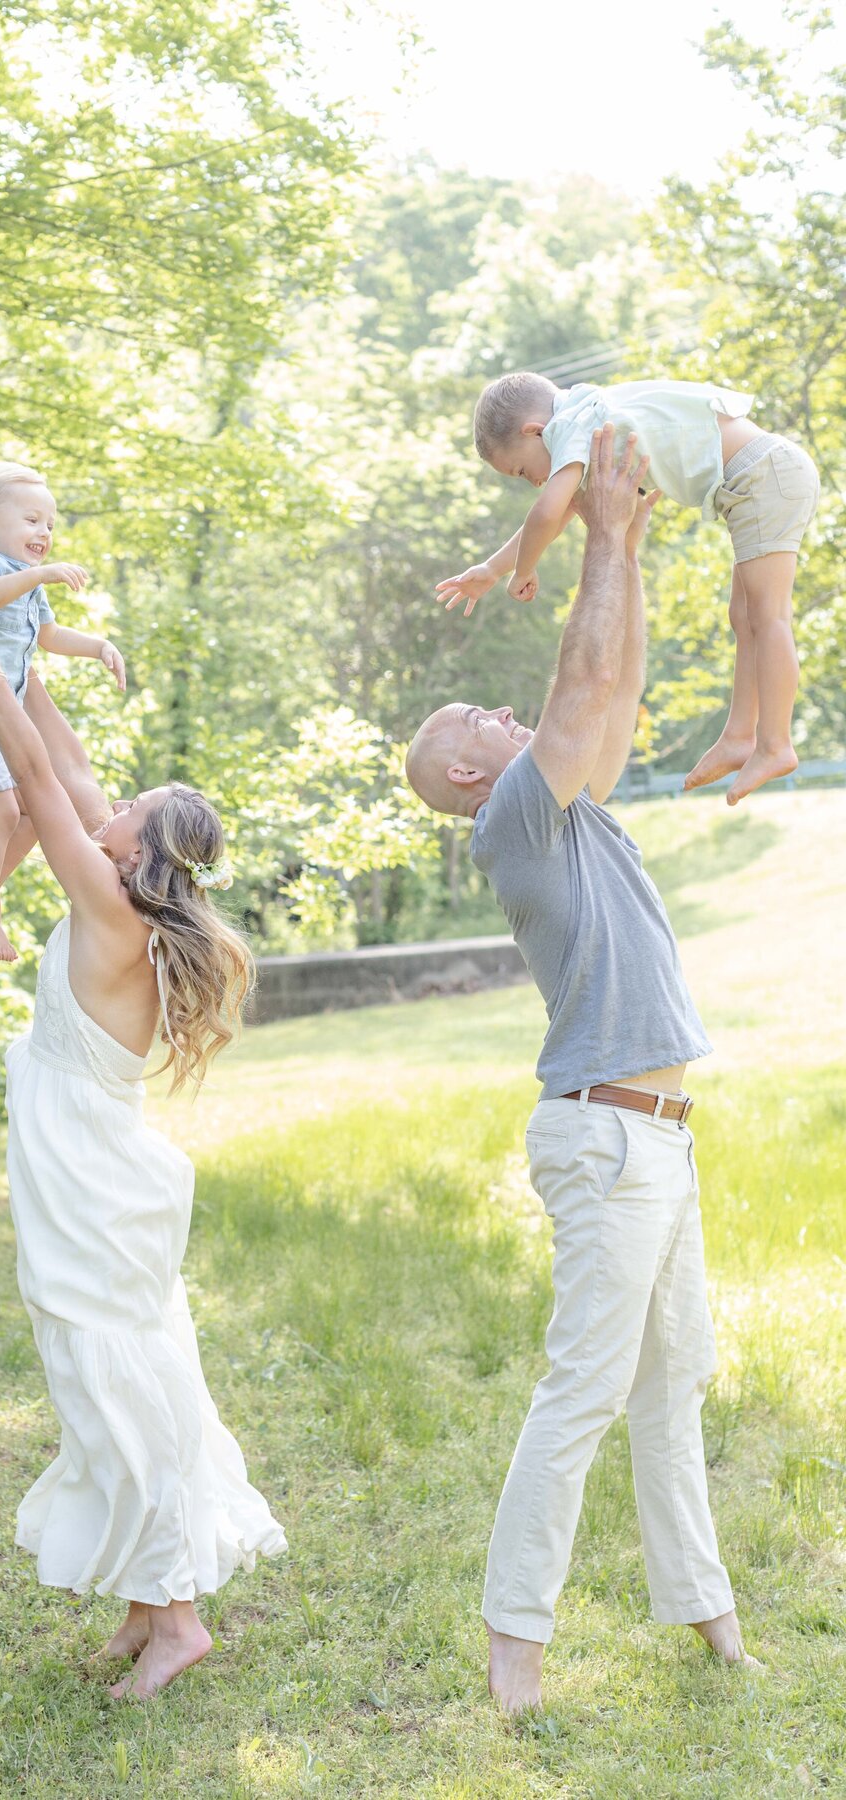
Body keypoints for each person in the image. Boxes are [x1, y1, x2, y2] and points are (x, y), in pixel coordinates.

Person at [407, 425, 758, 1715]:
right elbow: (574, 682)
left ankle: (711, 1617)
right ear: (466, 770)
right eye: (478, 721)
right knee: (586, 1394)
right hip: (610, 1138)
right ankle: (514, 1654)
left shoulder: (573, 810)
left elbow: (615, 678)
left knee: (672, 1389)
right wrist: (600, 535)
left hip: (656, 1136)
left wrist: (637, 539)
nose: (504, 719)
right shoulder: (512, 817)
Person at [0, 597, 286, 1699]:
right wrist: (24, 657)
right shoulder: (119, 889)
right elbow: (63, 762)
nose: (107, 808)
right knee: (106, 1368)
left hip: (88, 1169)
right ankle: (143, 1597)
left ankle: (177, 1619)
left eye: (129, 811)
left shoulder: (110, 911)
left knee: (106, 1376)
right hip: (88, 1160)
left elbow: (35, 785)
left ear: (142, 848)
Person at [436, 372, 820, 804]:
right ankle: (740, 735)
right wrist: (491, 569)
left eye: (523, 470)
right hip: (754, 480)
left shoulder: (572, 426)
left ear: (534, 431)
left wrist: (523, 570)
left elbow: (547, 513)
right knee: (745, 618)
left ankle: (776, 743)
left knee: (769, 618)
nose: (535, 482)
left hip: (761, 476)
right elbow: (560, 511)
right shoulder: (588, 416)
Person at [0, 461, 127, 963]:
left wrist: (99, 646)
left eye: (50, 525)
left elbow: (50, 637)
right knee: (3, 812)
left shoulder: (28, 584)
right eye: (32, 520)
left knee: (35, 814)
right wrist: (40, 573)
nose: (45, 533)